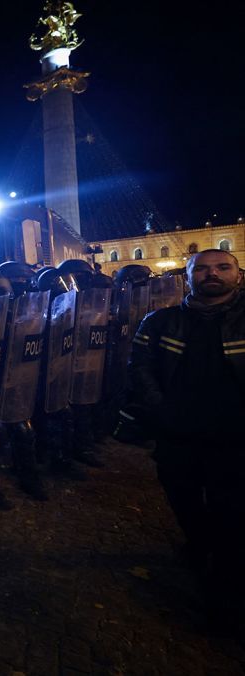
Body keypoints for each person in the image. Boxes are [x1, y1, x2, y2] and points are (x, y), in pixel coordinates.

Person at [124, 248, 245, 634]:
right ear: (188, 277)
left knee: (232, 517)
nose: (213, 275)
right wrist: (163, 413)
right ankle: (200, 545)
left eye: (222, 268)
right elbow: (139, 369)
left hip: (235, 439)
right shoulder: (160, 321)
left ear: (238, 276)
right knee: (185, 501)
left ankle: (224, 600)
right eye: (203, 269)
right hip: (179, 436)